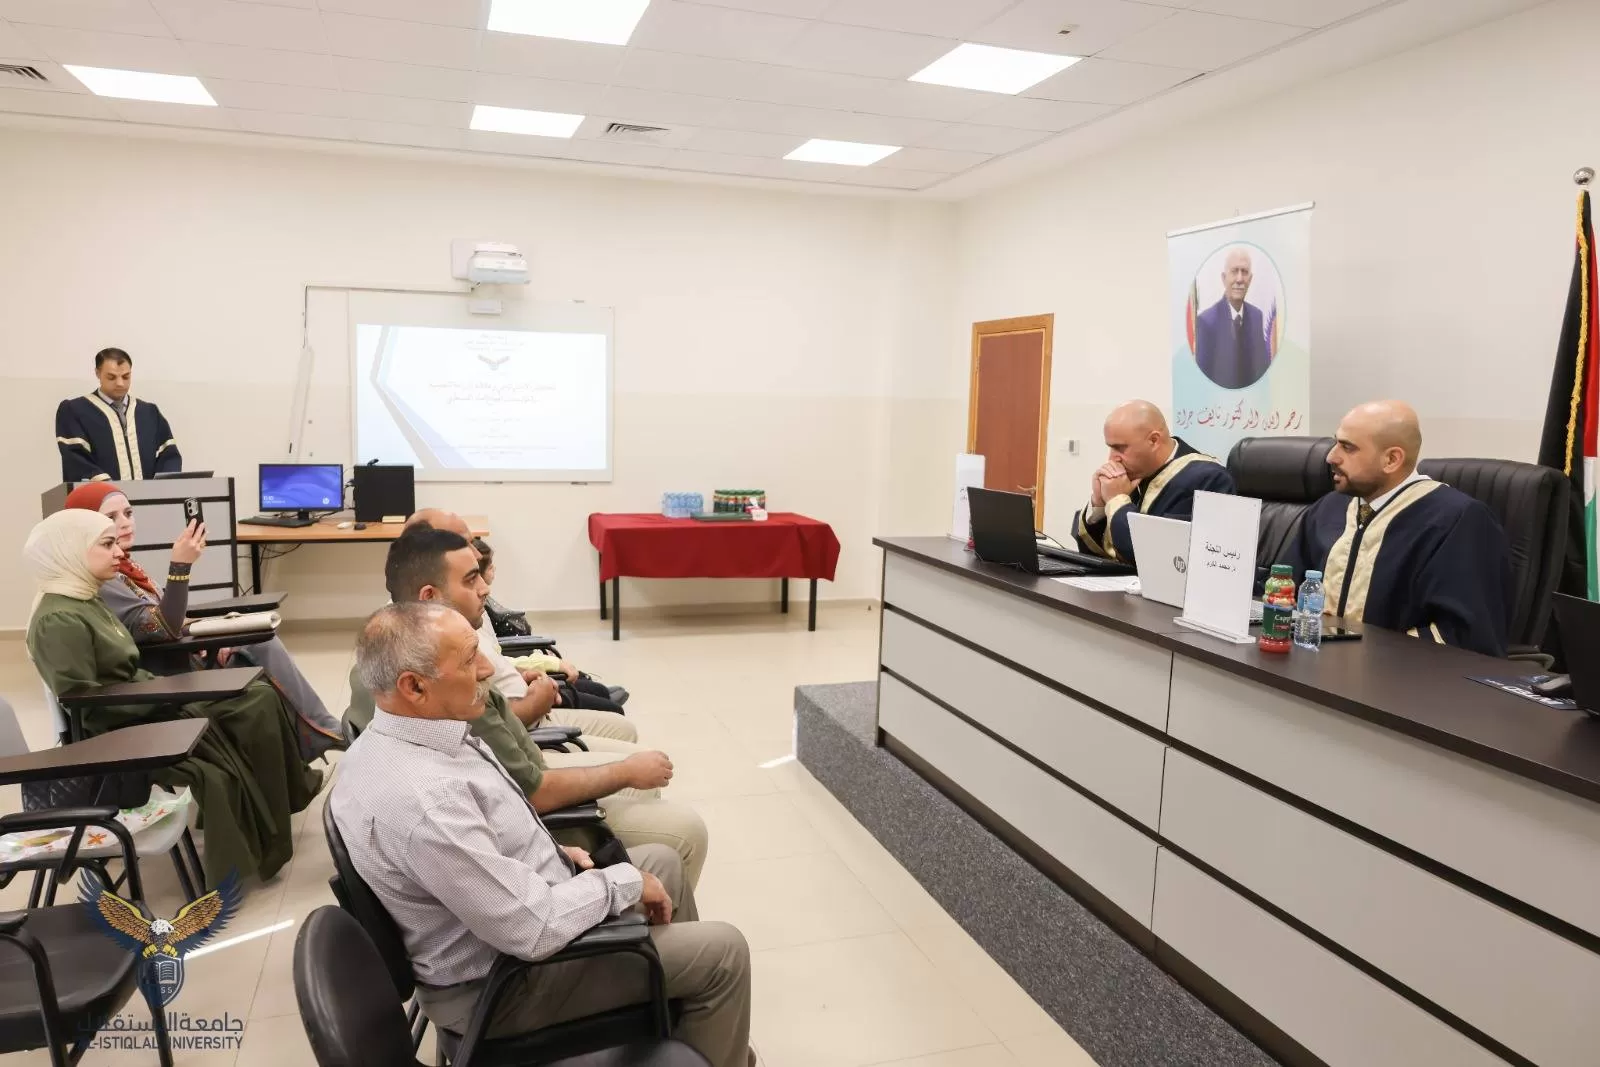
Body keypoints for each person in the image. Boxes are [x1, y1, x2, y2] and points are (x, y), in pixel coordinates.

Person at [332, 602, 752, 1067]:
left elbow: (479, 844)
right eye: (469, 659)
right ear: (414, 686)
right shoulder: (426, 801)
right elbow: (532, 929)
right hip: (507, 988)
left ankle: (688, 1029)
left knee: (664, 863)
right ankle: (700, 1024)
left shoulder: (392, 742)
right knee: (724, 952)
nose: (487, 668)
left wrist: (549, 853)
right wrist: (623, 883)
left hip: (504, 930)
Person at [346, 525, 709, 888]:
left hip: (522, 807)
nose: (485, 588)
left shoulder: (404, 657)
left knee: (640, 773)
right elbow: (529, 802)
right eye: (471, 578)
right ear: (430, 596)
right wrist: (623, 774)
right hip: (530, 824)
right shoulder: (443, 694)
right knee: (684, 828)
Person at [24, 509, 321, 885]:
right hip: (122, 723)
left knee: (259, 694)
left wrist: (166, 691)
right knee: (248, 709)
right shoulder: (59, 619)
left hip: (141, 702)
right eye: (107, 543)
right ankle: (250, 847)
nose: (119, 552)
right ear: (69, 551)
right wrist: (169, 695)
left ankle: (277, 808)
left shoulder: (87, 600)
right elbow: (85, 702)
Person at [63, 480, 344, 761]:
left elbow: (164, 619)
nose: (125, 523)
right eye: (111, 517)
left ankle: (312, 741)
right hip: (161, 678)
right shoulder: (103, 580)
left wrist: (213, 634)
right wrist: (180, 566)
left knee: (257, 642)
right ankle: (323, 734)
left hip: (175, 658)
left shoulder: (126, 568)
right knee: (261, 647)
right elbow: (159, 626)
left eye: (128, 513)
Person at [1283, 400, 1513, 656]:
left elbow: (1465, 635)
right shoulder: (1330, 508)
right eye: (1336, 443)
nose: (1331, 456)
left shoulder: (1457, 520)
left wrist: (1363, 657)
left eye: (1348, 447)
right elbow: (1284, 589)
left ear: (1392, 459)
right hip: (1314, 662)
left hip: (1399, 673)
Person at [406, 509, 635, 741]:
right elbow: (482, 725)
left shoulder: (458, 609)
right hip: (524, 726)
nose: (476, 553)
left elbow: (493, 667)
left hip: (526, 702)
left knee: (607, 709)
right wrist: (537, 700)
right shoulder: (428, 632)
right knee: (620, 725)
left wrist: (522, 674)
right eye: (464, 544)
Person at [474, 535, 628, 710]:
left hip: (518, 675)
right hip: (518, 693)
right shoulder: (467, 626)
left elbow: (500, 662)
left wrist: (542, 662)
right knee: (607, 703)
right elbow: (500, 670)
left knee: (594, 689)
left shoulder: (479, 611)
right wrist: (546, 664)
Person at [1072, 400, 1234, 564]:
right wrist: (1099, 504)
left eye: (1120, 448)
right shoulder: (1135, 472)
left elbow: (1156, 555)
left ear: (1154, 440)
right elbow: (1090, 555)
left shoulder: (1209, 480)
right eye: (1110, 447)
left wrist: (1117, 501)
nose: (1112, 458)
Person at [56, 348, 182, 482]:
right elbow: (75, 459)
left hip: (147, 494)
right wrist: (110, 488)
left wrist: (160, 487)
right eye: (111, 377)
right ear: (98, 373)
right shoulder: (75, 410)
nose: (120, 383)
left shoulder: (149, 413)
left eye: (126, 377)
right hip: (102, 494)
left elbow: (169, 456)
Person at [1193, 248, 1273, 390]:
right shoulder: (1206, 322)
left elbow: (1262, 373)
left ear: (1250, 279)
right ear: (1224, 278)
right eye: (1234, 271)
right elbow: (1202, 382)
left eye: (1244, 272)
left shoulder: (1257, 317)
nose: (1240, 279)